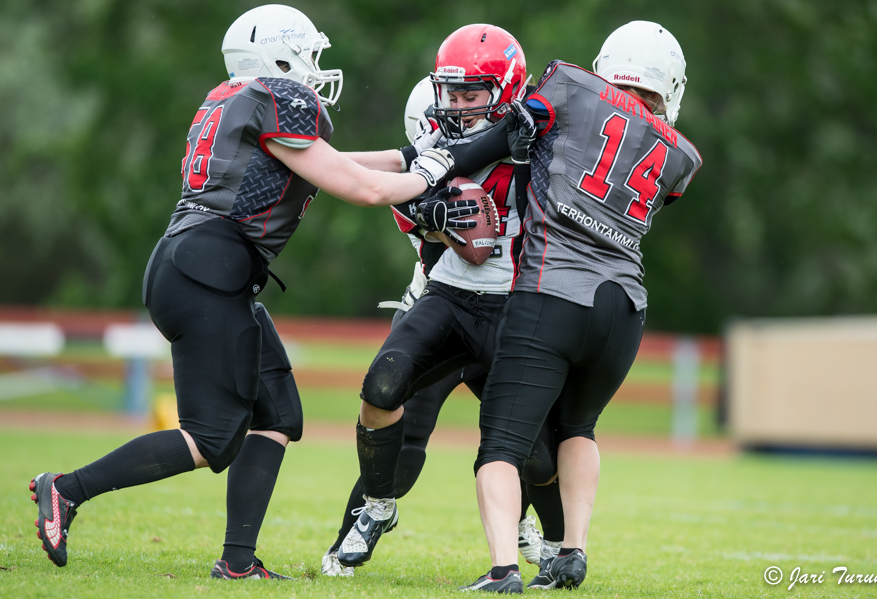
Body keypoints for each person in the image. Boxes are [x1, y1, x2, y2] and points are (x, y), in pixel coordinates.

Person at [28, 4, 455, 580]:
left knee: (278, 415)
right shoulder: (278, 97)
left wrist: (416, 158)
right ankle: (68, 489)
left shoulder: (237, 98)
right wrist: (433, 171)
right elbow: (360, 188)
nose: (315, 68)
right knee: (211, 438)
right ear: (278, 55)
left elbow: (329, 166)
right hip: (208, 271)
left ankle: (237, 562)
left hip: (201, 265)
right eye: (308, 53)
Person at [432, 21, 703, 592]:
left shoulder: (570, 88)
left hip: (553, 294)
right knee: (580, 426)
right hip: (624, 309)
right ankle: (572, 554)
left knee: (501, 443)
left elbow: (488, 151)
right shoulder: (682, 157)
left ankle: (506, 567)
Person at [323, 25, 564, 585]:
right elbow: (405, 181)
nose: (455, 107)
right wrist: (431, 211)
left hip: (516, 307)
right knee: (381, 387)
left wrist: (528, 167)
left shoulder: (539, 135)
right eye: (449, 94)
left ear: (505, 88)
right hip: (448, 299)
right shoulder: (434, 140)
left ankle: (550, 540)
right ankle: (375, 509)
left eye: (469, 95)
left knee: (534, 450)